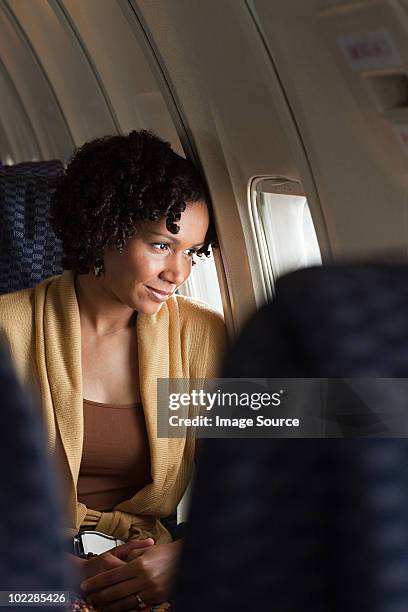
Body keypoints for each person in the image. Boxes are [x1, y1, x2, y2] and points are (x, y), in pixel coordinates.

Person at [0, 130, 225, 611]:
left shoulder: (199, 337)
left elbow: (275, 465)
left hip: (149, 561)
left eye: (193, 251)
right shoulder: (7, 330)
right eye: (162, 245)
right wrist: (70, 575)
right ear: (105, 230)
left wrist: (187, 557)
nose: (179, 273)